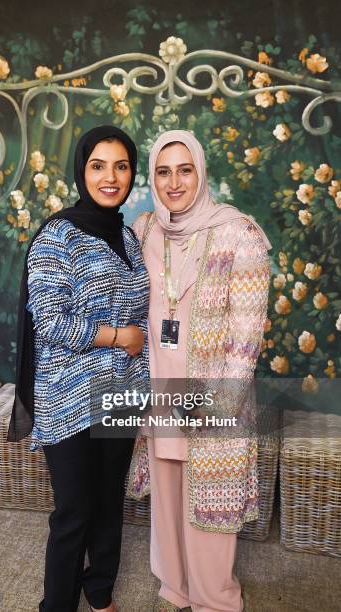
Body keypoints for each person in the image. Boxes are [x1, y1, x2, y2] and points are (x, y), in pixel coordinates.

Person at [7, 125, 150, 612]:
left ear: (131, 174)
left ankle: (101, 589)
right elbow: (48, 320)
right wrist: (117, 336)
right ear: (82, 170)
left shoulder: (129, 238)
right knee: (74, 512)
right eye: (98, 165)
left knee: (110, 503)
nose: (110, 177)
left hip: (123, 391)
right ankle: (58, 604)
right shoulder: (57, 234)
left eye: (121, 166)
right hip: (68, 396)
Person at [128, 130, 271, 612]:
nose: (174, 182)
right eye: (163, 171)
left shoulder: (239, 232)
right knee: (168, 500)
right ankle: (175, 589)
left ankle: (215, 600)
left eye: (184, 170)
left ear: (201, 173)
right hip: (161, 392)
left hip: (212, 395)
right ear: (152, 176)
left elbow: (246, 335)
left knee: (209, 506)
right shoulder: (146, 229)